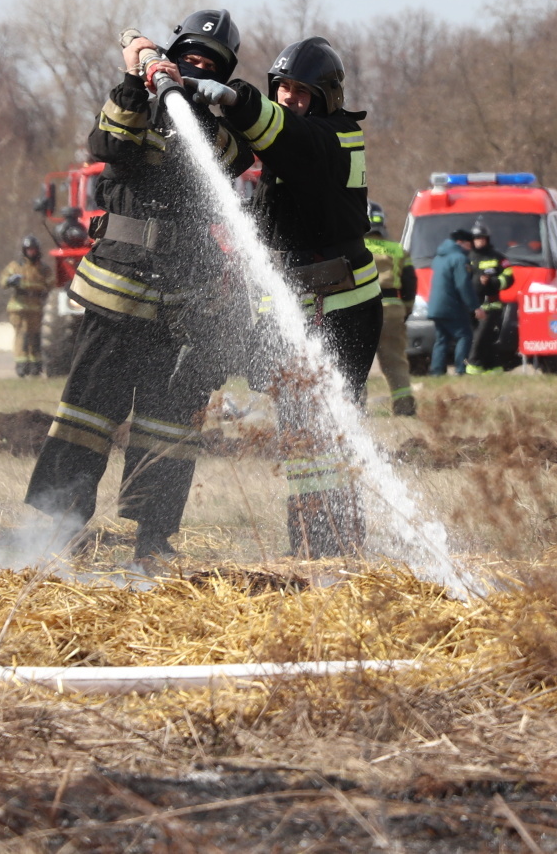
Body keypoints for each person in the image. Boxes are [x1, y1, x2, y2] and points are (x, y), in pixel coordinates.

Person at [24, 9, 253, 564]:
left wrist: (200, 101)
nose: (196, 68)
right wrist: (136, 78)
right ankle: (62, 526)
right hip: (116, 290)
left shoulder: (218, 132)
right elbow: (108, 145)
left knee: (168, 423)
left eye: (209, 64)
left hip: (182, 303)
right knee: (87, 411)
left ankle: (153, 539)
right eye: (189, 58)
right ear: (172, 58)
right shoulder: (136, 106)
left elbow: (227, 160)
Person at [197, 35, 382, 558]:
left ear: (325, 97)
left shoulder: (330, 136)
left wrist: (236, 96)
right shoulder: (300, 138)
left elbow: (283, 133)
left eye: (301, 92)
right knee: (304, 433)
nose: (288, 99)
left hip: (337, 305)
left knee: (326, 429)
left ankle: (334, 548)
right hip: (317, 301)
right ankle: (311, 544)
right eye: (281, 89)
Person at [362, 202, 418, 416]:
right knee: (395, 360)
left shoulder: (353, 247)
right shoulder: (396, 249)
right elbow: (410, 281)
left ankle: (356, 408)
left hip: (363, 310)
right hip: (392, 309)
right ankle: (404, 406)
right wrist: (406, 309)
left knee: (357, 362)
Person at [465, 221, 520, 373]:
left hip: (491, 305)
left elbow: (509, 276)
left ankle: (473, 366)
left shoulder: (498, 257)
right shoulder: (467, 257)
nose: (479, 241)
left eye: (482, 238)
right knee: (484, 338)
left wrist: (494, 282)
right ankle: (492, 366)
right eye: (477, 238)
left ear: (487, 239)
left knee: (480, 337)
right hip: (472, 305)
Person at [426, 229, 479, 376]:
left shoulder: (438, 258)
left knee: (442, 338)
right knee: (464, 335)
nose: (470, 249)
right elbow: (463, 284)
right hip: (451, 305)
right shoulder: (459, 258)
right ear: (460, 243)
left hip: (435, 306)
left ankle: (436, 371)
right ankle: (461, 370)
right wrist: (474, 306)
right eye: (469, 245)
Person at [0, 236, 52, 378]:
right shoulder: (15, 266)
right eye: (28, 249)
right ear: (24, 250)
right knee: (22, 336)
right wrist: (11, 281)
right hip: (19, 308)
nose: (31, 252)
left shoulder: (43, 269)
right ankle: (22, 366)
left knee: (36, 337)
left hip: (37, 308)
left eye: (33, 249)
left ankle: (36, 366)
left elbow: (51, 285)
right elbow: (3, 281)